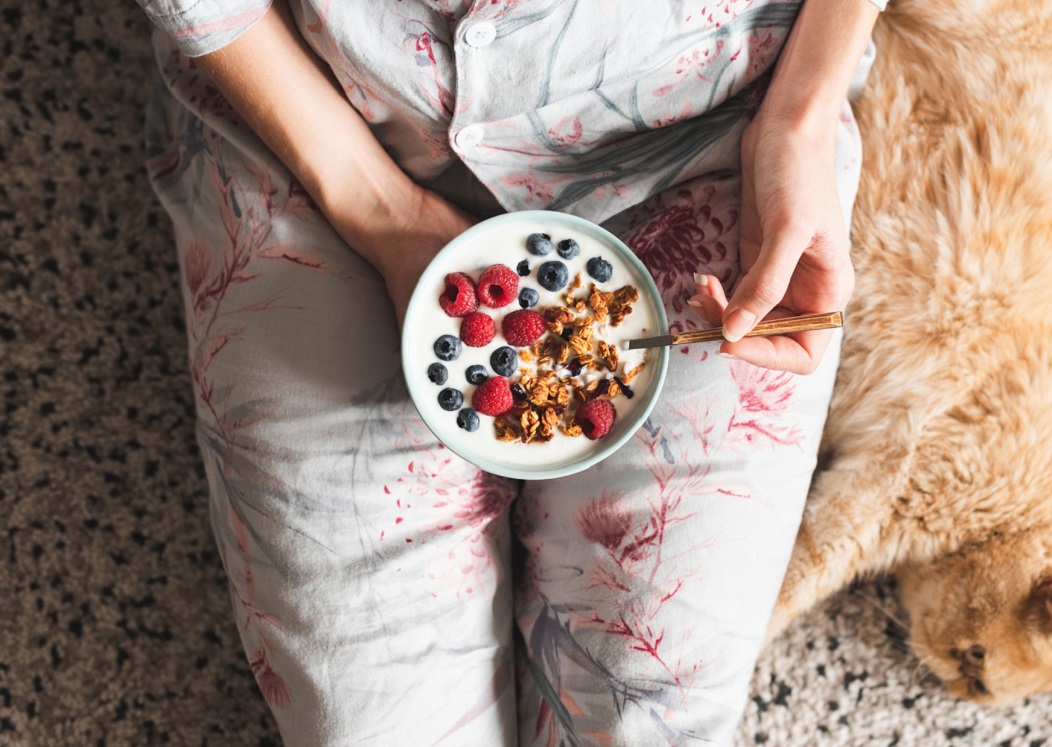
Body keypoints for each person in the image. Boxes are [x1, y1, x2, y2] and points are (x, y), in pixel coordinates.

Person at [136, 0, 879, 743]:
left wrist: (801, 115)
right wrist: (378, 209)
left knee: (649, 721)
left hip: (710, 132)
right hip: (323, 118)